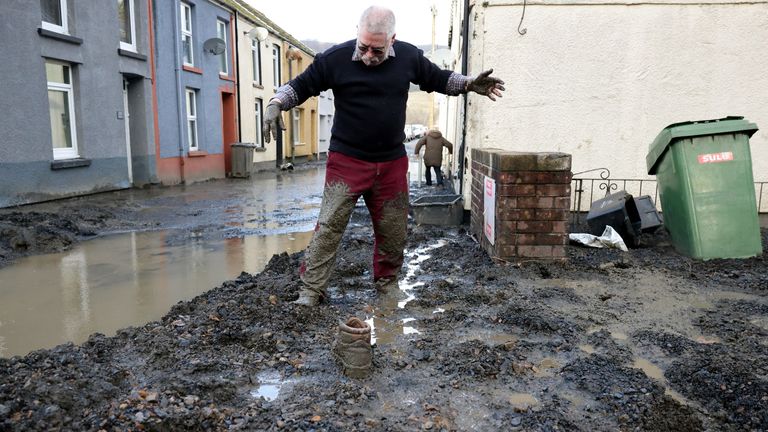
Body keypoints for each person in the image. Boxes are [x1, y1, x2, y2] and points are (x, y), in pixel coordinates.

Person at [263, 5, 505, 306]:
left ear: (392, 40)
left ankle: (387, 284)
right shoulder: (335, 59)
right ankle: (311, 290)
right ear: (357, 35)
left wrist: (469, 84)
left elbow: (438, 78)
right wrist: (275, 102)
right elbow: (300, 86)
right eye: (363, 47)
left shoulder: (408, 57)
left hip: (390, 163)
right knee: (328, 227)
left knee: (393, 230)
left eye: (376, 50)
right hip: (347, 161)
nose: (368, 56)